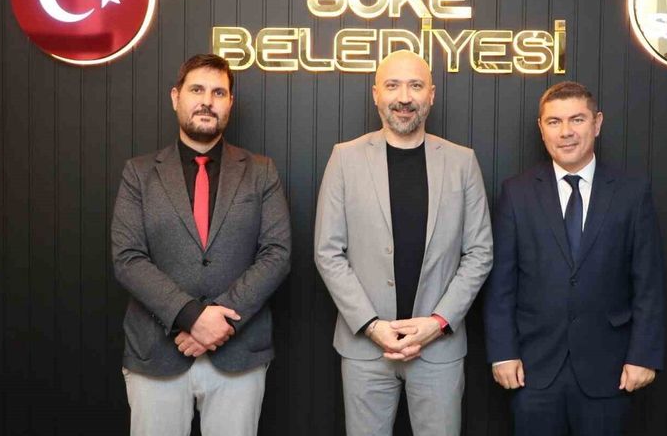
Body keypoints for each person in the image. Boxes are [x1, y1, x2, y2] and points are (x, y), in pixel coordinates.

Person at [314, 50, 493, 436]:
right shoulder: (344, 159)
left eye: (415, 86)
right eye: (393, 85)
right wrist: (370, 325)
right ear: (376, 94)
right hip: (365, 348)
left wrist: (438, 324)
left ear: (432, 94)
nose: (404, 97)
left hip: (439, 350)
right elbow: (328, 252)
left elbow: (480, 253)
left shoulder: (462, 163)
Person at [111, 53, 291, 436]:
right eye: (197, 90)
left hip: (238, 355)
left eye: (218, 93)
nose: (207, 101)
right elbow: (128, 259)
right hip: (156, 354)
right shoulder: (139, 174)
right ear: (176, 97)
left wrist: (219, 322)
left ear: (230, 103)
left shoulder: (261, 172)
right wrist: (191, 317)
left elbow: (276, 255)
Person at [484, 81, 664, 436]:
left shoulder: (632, 192)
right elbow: (501, 284)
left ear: (597, 123)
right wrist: (503, 353)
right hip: (532, 371)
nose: (565, 132)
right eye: (554, 122)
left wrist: (643, 355)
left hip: (610, 370)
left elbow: (649, 283)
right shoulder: (516, 193)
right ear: (541, 129)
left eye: (577, 119)